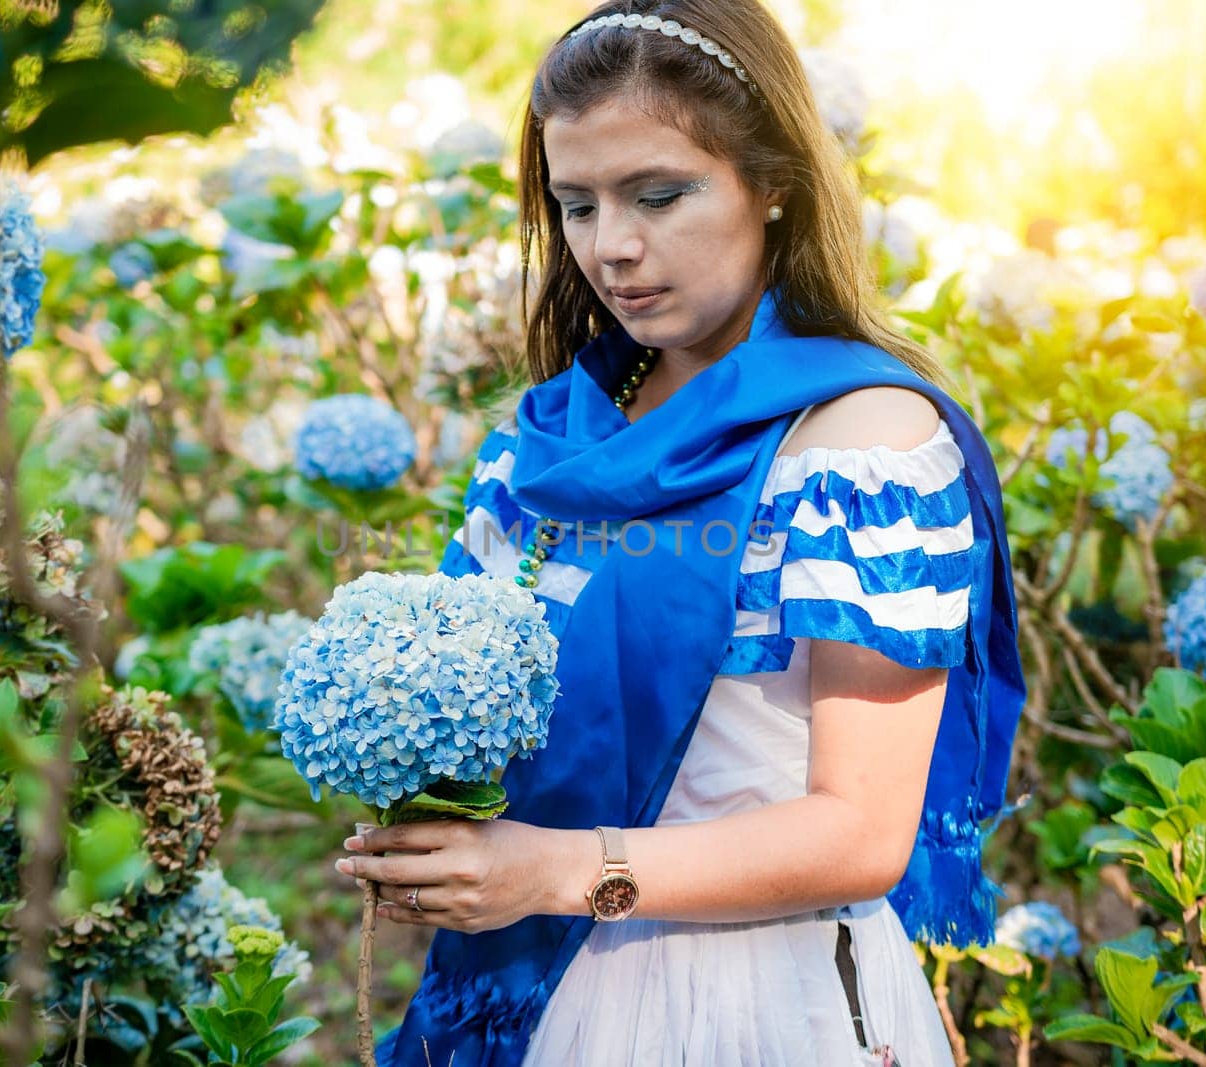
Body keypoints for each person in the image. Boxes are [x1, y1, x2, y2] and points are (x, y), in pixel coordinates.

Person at [334, 2, 1026, 1063]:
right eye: (575, 205)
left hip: (751, 999)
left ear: (774, 180)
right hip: (530, 990)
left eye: (659, 194)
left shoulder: (859, 449)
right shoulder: (550, 440)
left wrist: (552, 870)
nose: (612, 247)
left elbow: (861, 831)